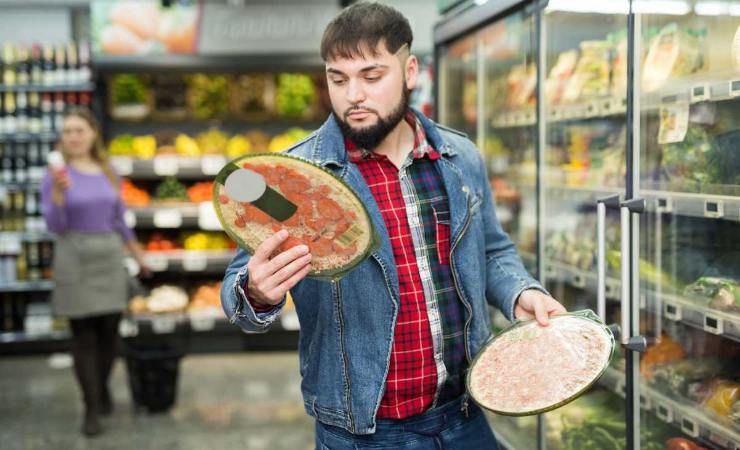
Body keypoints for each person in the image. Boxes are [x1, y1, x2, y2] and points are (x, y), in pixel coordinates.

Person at [221, 3, 566, 448]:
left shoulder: (459, 157)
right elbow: (237, 293)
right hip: (362, 431)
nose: (353, 95)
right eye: (338, 79)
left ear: (409, 71)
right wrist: (256, 293)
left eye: (371, 76)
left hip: (466, 415)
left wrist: (523, 293)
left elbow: (492, 251)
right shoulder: (292, 177)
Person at [41, 107, 149, 437]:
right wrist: (58, 193)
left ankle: (99, 386)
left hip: (107, 255)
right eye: (67, 131)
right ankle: (91, 406)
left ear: (93, 134)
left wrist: (138, 254)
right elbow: (54, 226)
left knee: (110, 335)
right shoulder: (55, 175)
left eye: (79, 130)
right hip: (72, 253)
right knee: (83, 336)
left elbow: (119, 219)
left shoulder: (108, 170)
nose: (72, 137)